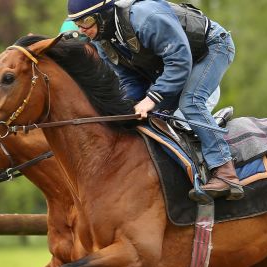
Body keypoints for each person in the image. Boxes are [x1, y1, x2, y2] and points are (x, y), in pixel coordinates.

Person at [66, 0, 243, 200]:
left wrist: (151, 98)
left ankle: (226, 173)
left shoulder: (145, 18)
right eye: (76, 23)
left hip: (211, 48)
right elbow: (129, 79)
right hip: (177, 62)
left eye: (85, 21)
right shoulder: (102, 40)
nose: (82, 29)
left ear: (104, 15)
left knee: (191, 101)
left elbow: (179, 61)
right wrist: (128, 107)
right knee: (151, 118)